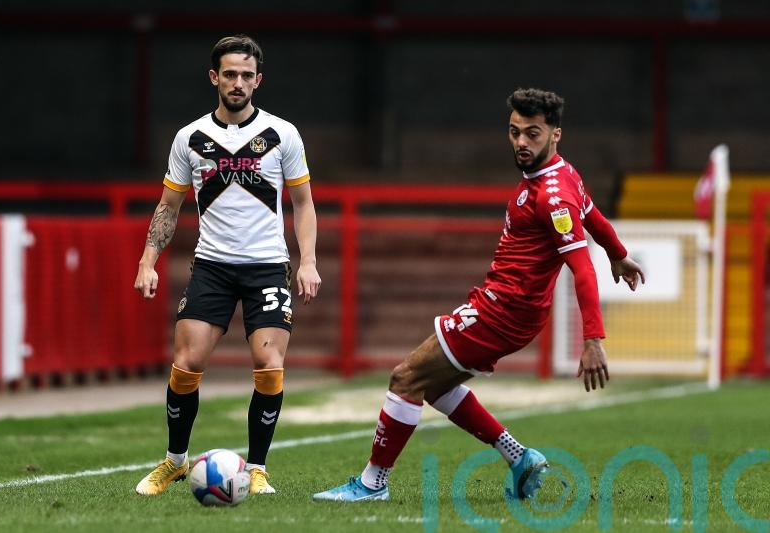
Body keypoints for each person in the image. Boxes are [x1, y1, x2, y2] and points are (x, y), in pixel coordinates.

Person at [313, 88, 644, 502]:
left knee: (406, 377)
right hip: (505, 306)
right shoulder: (564, 174)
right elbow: (593, 215)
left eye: (533, 134)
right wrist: (619, 254)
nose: (521, 142)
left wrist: (593, 339)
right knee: (434, 384)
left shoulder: (552, 195)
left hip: (503, 312)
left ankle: (371, 484)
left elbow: (582, 268)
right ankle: (519, 457)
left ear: (555, 134)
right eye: (515, 131)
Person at [133, 34, 321, 497]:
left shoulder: (283, 134)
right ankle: (176, 461)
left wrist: (308, 261)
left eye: (246, 75)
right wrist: (147, 261)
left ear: (259, 81)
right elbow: (168, 206)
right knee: (186, 364)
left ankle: (256, 469)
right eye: (230, 74)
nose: (238, 82)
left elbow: (303, 203)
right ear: (214, 78)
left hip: (267, 267)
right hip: (212, 266)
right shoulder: (189, 138)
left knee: (269, 365)